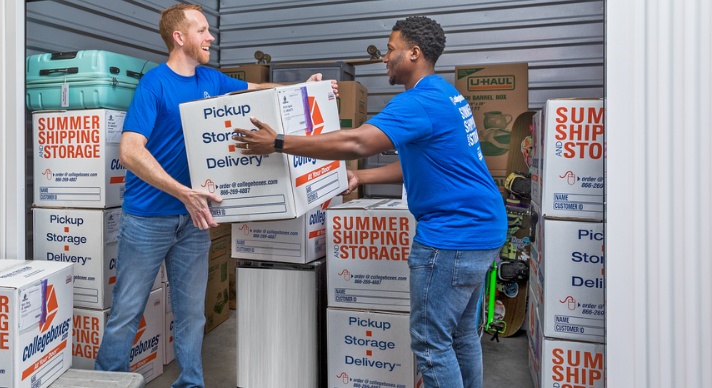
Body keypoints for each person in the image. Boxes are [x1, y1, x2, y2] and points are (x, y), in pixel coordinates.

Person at [231, 16, 506, 388]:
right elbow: (426, 166)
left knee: (430, 344)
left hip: (451, 237)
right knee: (460, 336)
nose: (385, 58)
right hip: (483, 230)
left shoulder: (419, 101)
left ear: (414, 52)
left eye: (391, 49)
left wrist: (278, 142)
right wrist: (361, 176)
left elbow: (358, 142)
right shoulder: (446, 94)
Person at [93, 4, 336, 388]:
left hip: (195, 219)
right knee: (127, 309)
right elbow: (130, 152)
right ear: (179, 37)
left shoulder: (211, 80)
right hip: (148, 218)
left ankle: (191, 383)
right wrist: (182, 192)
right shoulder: (154, 85)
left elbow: (258, 91)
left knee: (192, 313)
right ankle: (108, 381)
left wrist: (307, 89)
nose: (211, 37)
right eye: (202, 30)